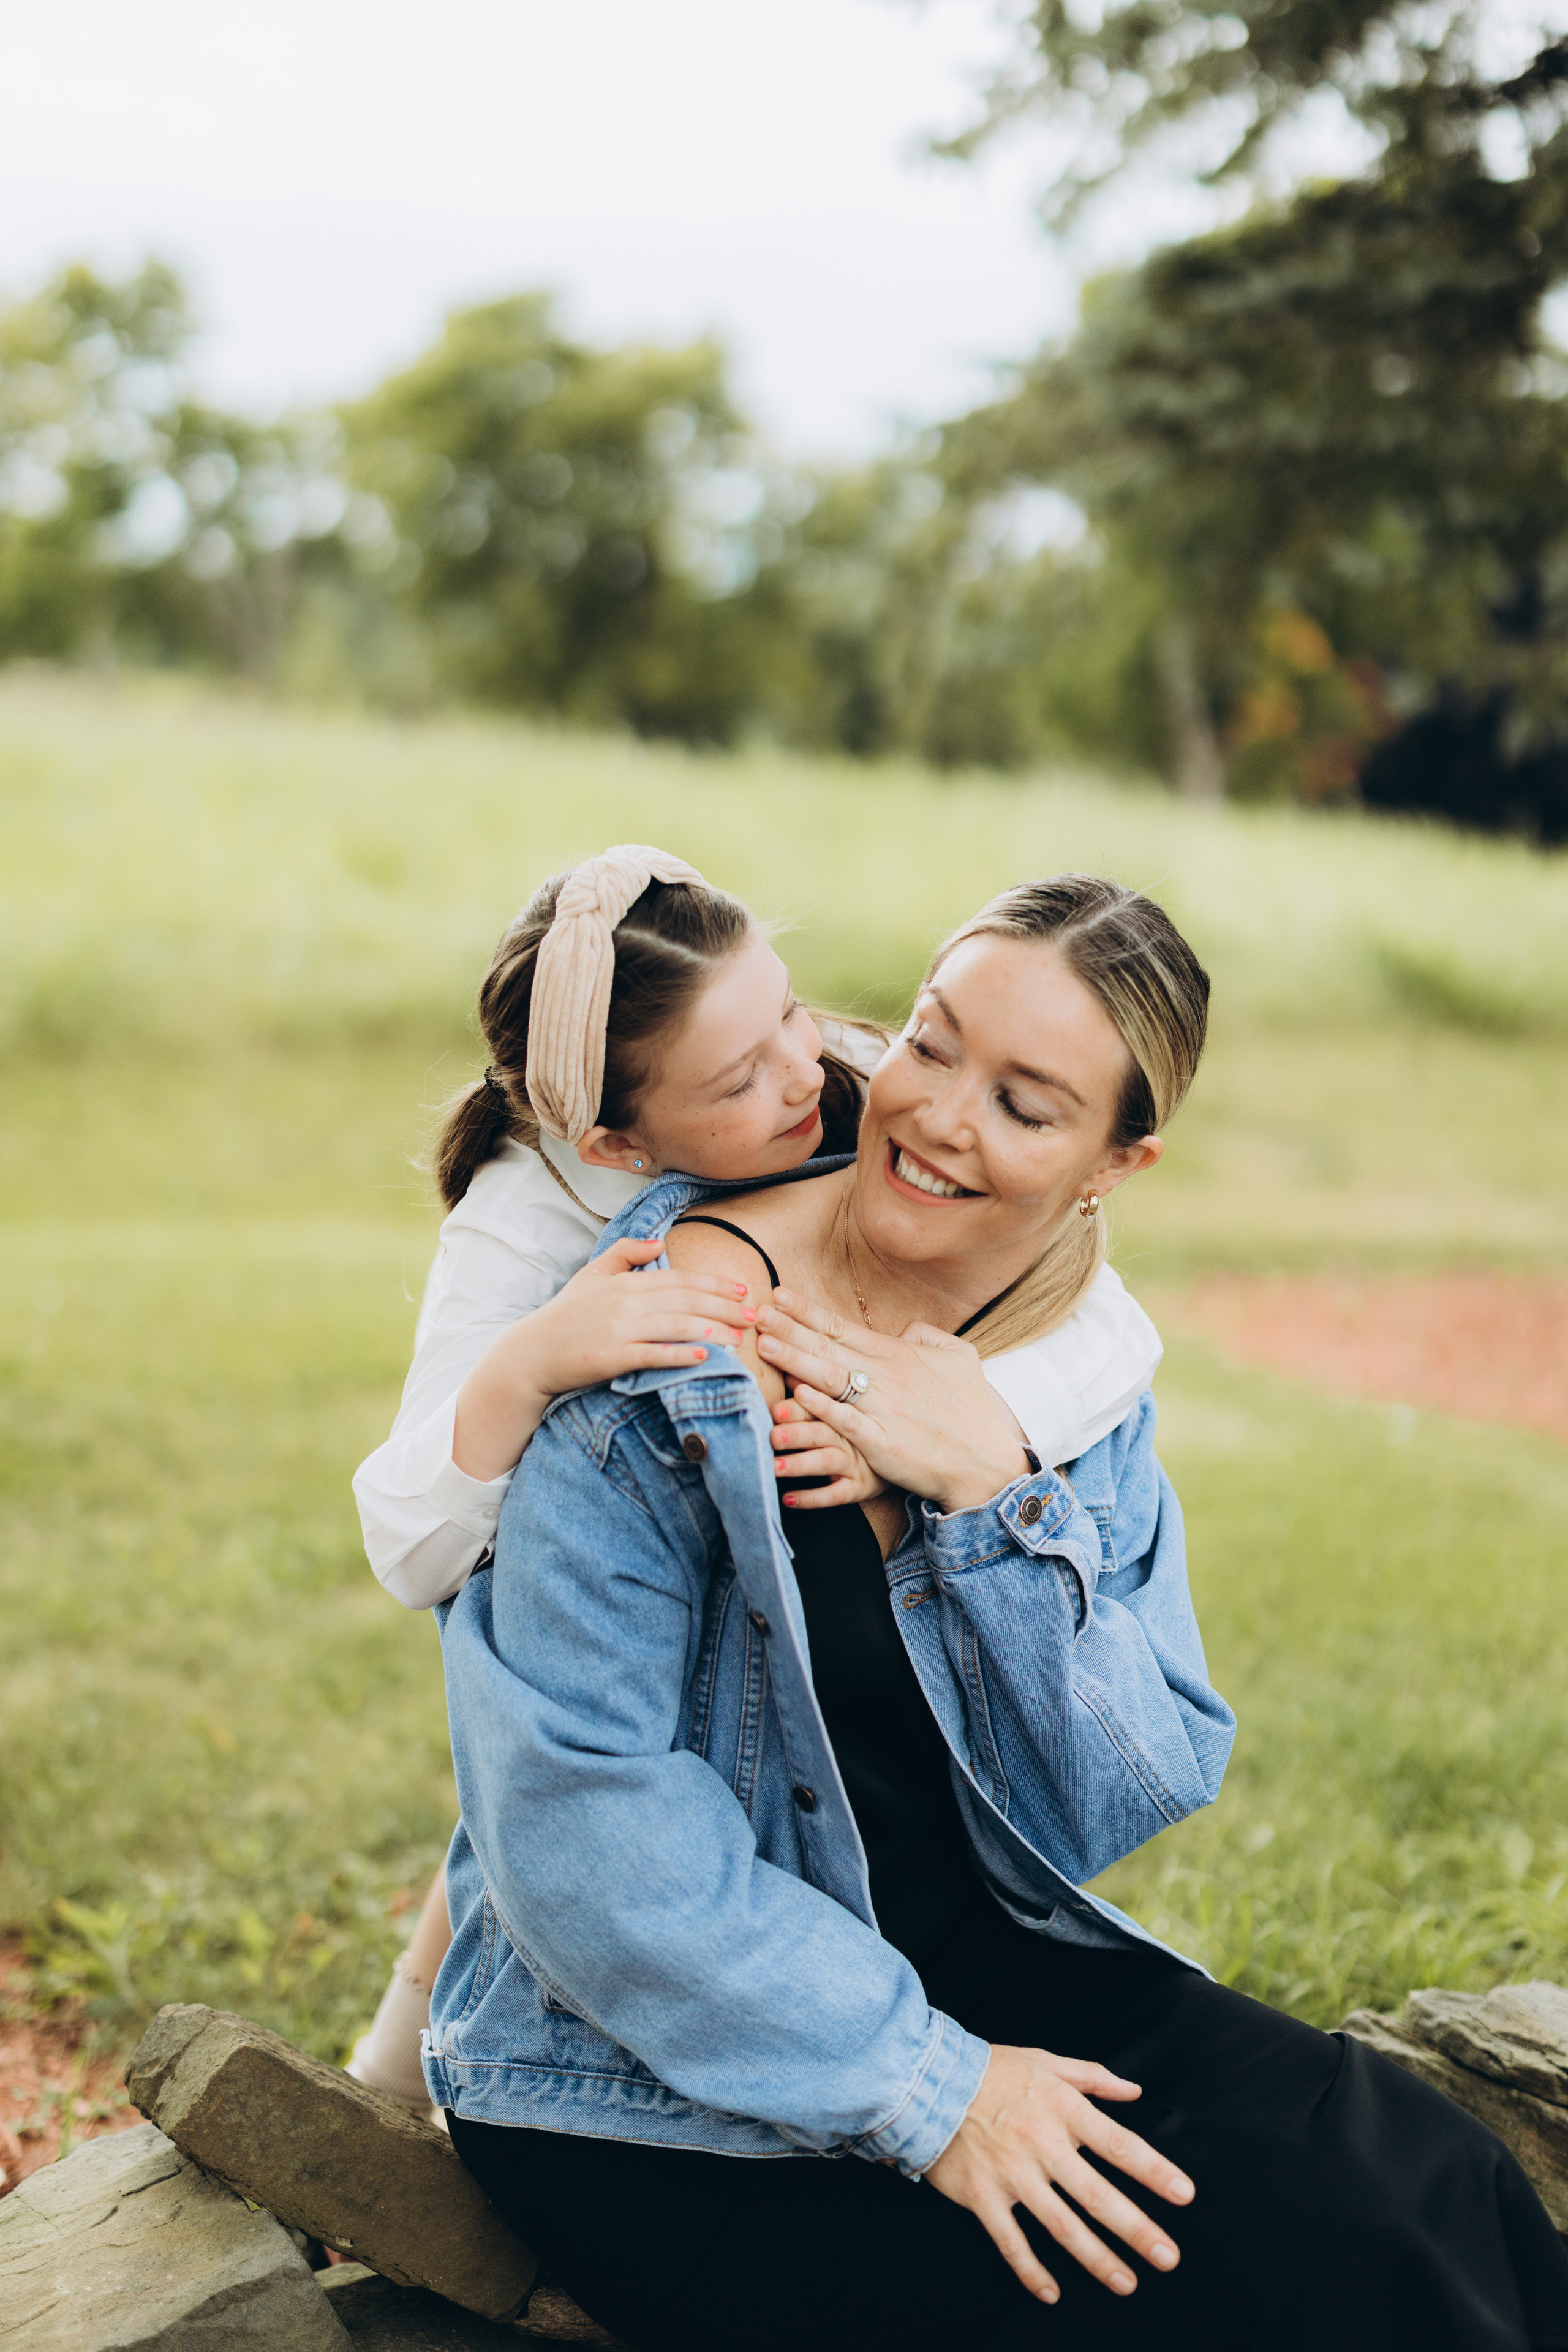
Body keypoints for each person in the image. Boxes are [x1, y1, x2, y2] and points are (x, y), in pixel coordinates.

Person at [430, 872, 1568, 2352]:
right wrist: (936, 2091)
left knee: (1430, 2184)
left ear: (1117, 1161)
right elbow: (580, 1841)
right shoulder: (655, 1346)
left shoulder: (1065, 1383)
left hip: (974, 1962)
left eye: (1027, 1106)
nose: (940, 1118)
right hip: (650, 2086)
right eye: (932, 1041)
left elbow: (1133, 1777)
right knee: (1258, 2289)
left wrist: (987, 1500)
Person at [347, 846, 1164, 2113]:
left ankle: (426, 2075)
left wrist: (953, 1435)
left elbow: (1104, 1328)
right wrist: (523, 1371)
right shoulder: (520, 1217)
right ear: (616, 1138)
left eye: (786, 1006)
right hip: (579, 1559)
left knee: (613, 1778)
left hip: (784, 1541)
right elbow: (408, 1541)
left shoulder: (839, 1086)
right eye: (740, 1076)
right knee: (564, 1772)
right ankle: (403, 2094)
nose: (808, 1071)